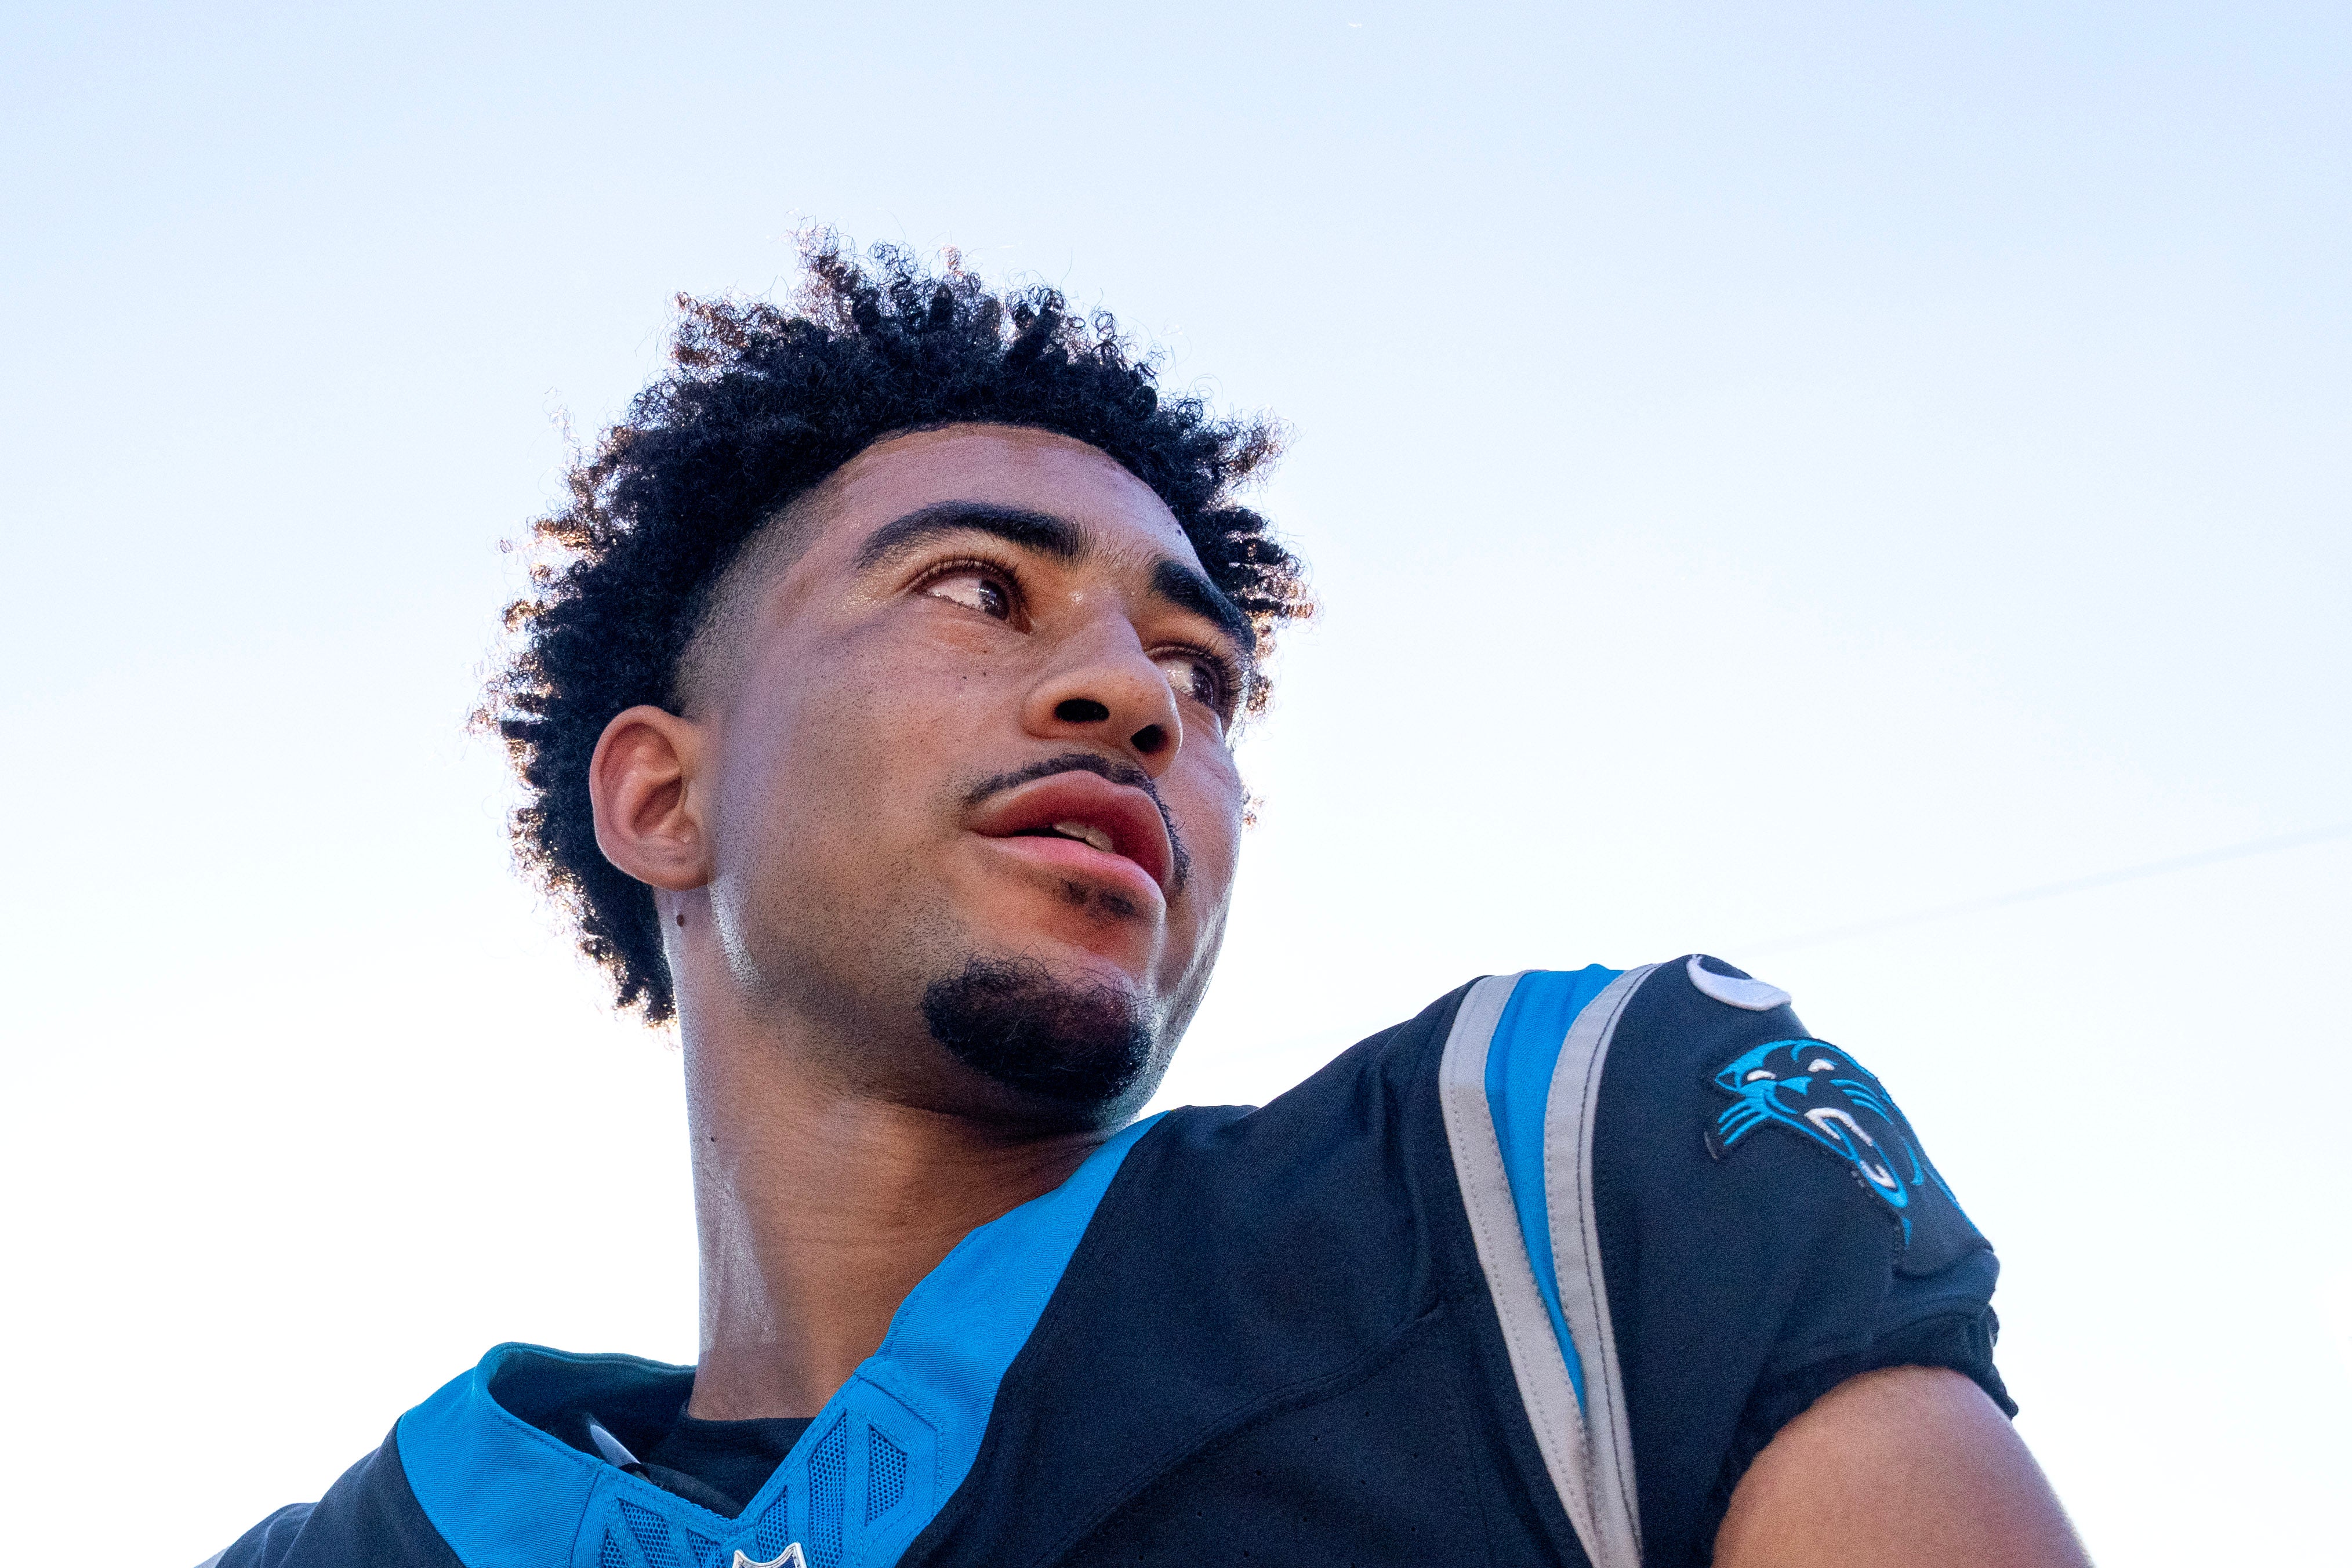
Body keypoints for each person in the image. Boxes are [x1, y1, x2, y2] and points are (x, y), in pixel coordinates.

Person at [207, 238, 2088, 1568]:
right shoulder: (377, 1547)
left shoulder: (1553, 1171)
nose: (1134, 696)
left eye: (1202, 672)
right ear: (662, 796)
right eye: (976, 589)